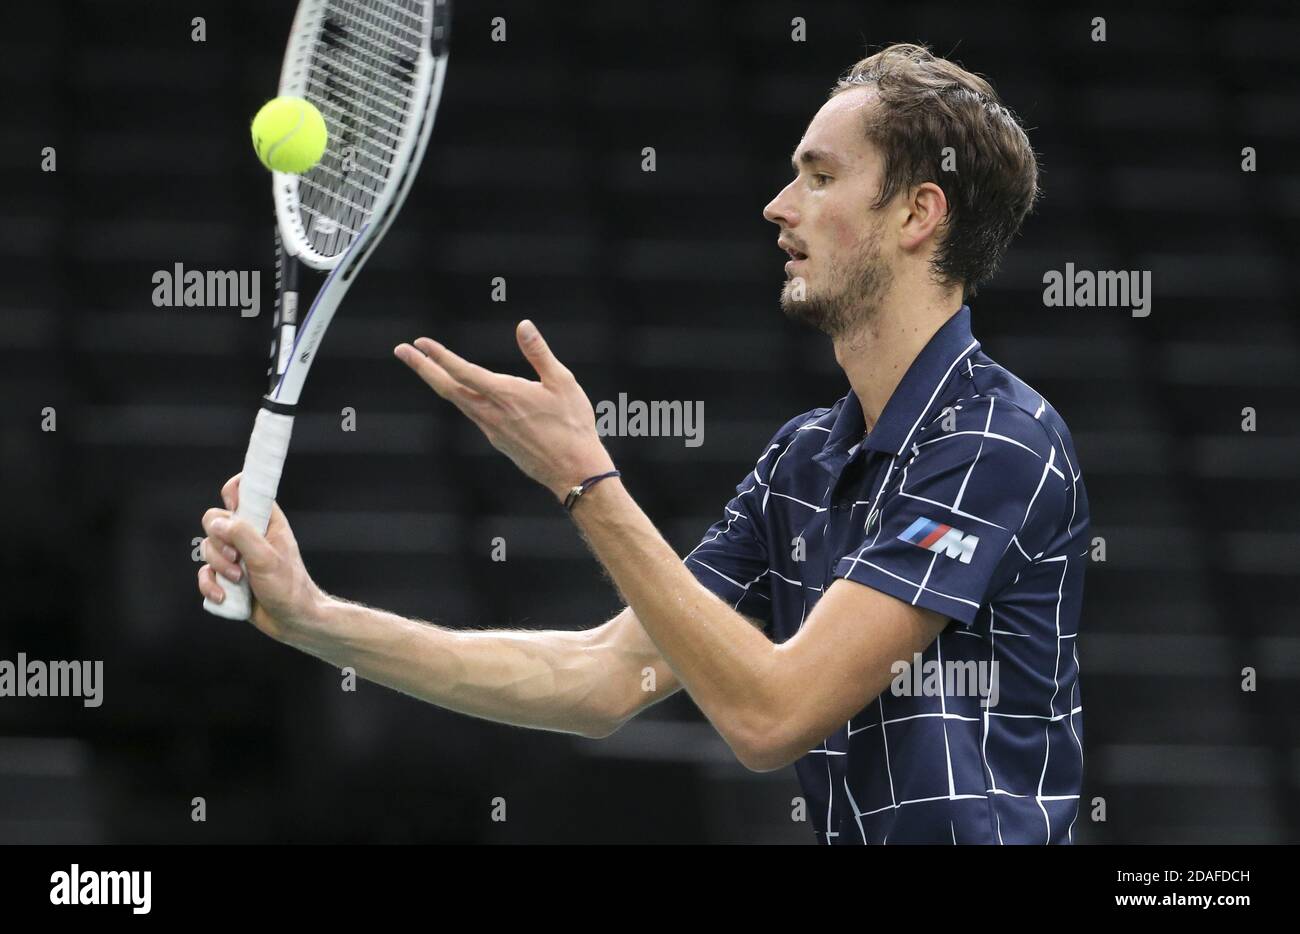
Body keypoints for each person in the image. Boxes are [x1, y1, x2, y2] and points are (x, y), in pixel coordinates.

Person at [198, 43, 1089, 844]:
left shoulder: (997, 441)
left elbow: (773, 715)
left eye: (819, 178)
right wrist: (317, 618)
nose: (779, 207)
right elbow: (601, 679)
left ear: (917, 214)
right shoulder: (804, 459)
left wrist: (584, 478)